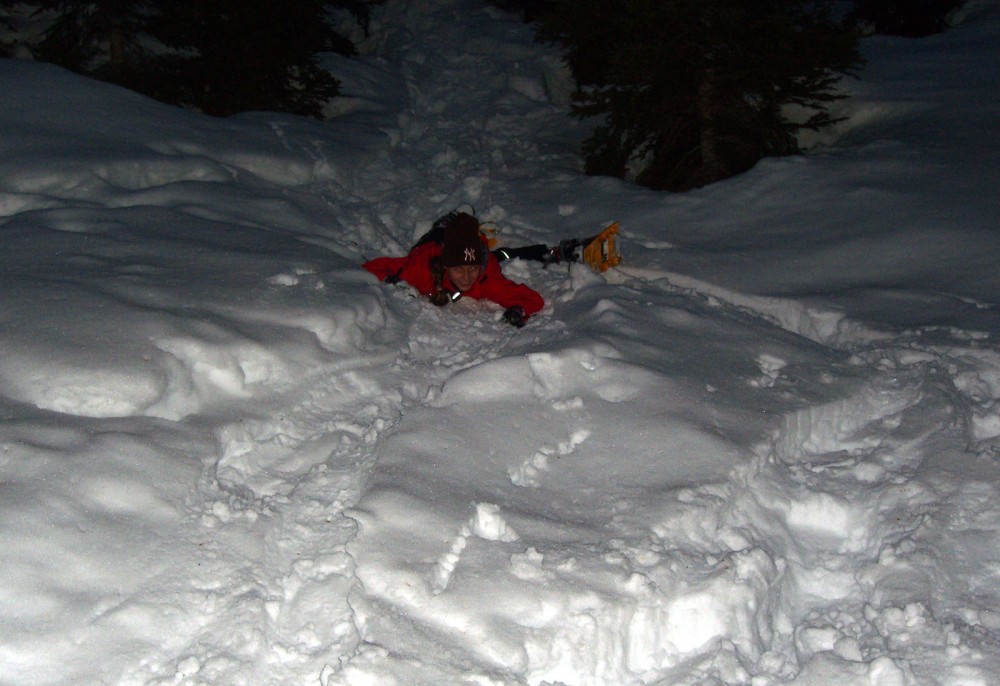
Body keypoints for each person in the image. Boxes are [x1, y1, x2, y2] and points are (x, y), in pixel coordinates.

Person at [363, 212, 551, 327]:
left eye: (473, 268)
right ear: (446, 266)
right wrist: (391, 280)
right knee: (441, 231)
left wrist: (518, 310)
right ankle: (448, 221)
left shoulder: (486, 277)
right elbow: (372, 269)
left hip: (472, 250)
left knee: (495, 255)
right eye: (459, 269)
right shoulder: (421, 267)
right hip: (432, 242)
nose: (467, 277)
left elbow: (532, 299)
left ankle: (468, 227)